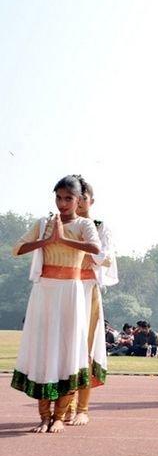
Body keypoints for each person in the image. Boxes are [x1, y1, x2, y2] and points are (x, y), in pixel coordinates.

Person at [10, 175, 101, 433]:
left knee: (68, 352)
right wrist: (47, 241)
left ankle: (60, 415)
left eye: (68, 199)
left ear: (78, 200)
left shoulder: (85, 224)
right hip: (45, 293)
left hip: (71, 294)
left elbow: (95, 248)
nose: (62, 203)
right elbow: (16, 249)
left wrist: (63, 240)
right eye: (59, 198)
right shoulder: (43, 223)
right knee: (45, 350)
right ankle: (43, 415)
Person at [67, 175, 118, 426]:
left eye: (83, 198)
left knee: (84, 348)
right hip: (64, 289)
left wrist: (90, 253)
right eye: (74, 198)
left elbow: (106, 257)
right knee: (64, 347)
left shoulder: (99, 226)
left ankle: (82, 407)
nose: (78, 203)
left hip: (87, 290)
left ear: (90, 200)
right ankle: (64, 404)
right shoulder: (61, 223)